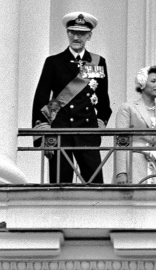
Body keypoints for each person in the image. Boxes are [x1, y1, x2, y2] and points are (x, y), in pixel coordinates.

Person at [32, 12, 112, 184]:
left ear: (89, 36)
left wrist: (98, 125)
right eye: (73, 32)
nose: (76, 37)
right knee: (60, 186)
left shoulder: (98, 62)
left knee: (95, 185)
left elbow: (104, 102)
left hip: (87, 131)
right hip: (61, 131)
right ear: (68, 33)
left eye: (81, 33)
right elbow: (41, 98)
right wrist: (45, 135)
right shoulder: (53, 62)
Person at [114, 66, 156, 185]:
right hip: (135, 168)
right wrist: (121, 172)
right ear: (142, 84)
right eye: (153, 81)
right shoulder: (128, 108)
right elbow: (120, 143)